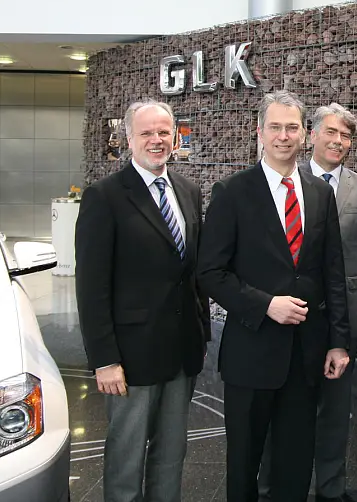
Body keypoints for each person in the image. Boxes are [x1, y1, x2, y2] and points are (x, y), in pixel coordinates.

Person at [198, 91, 350, 502]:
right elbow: (210, 273)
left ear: (305, 134)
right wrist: (265, 304)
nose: (284, 136)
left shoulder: (320, 194)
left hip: (307, 354)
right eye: (275, 127)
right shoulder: (232, 192)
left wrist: (338, 341)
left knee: (296, 463)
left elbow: (332, 272)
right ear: (260, 132)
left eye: (292, 127)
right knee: (244, 464)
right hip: (251, 352)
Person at [75, 99, 210, 502]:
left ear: (175, 137)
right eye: (147, 133)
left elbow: (191, 271)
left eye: (164, 133)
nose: (156, 140)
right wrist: (104, 359)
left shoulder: (188, 190)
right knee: (126, 457)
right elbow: (92, 286)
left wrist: (201, 333)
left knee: (172, 454)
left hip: (182, 350)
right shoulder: (105, 196)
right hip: (130, 357)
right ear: (129, 138)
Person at [258, 102, 357, 502]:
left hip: (342, 321)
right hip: (288, 318)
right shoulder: (281, 179)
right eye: (330, 132)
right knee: (279, 411)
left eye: (346, 135)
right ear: (311, 135)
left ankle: (331, 488)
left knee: (334, 413)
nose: (337, 141)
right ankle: (271, 486)